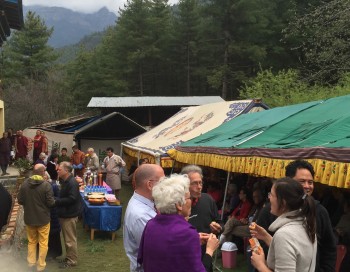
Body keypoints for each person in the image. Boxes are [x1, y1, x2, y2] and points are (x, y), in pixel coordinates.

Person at [256, 160, 336, 272]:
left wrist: (260, 265)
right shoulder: (270, 210)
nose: (307, 186)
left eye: (310, 182)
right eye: (302, 181)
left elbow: (329, 248)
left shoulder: (319, 212)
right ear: (289, 183)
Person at [137, 174, 220, 272]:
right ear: (179, 205)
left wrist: (193, 241)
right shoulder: (187, 232)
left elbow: (165, 251)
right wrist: (209, 251)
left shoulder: (150, 225)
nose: (191, 201)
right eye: (189, 198)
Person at [250, 177, 317, 272]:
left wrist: (260, 265)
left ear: (283, 203)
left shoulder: (284, 235)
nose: (269, 198)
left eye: (272, 195)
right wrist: (266, 237)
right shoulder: (306, 224)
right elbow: (292, 250)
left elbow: (287, 241)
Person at [123, 164, 165, 272]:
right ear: (150, 185)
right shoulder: (141, 216)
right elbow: (158, 251)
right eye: (162, 182)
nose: (165, 187)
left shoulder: (144, 204)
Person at [17, 164, 55, 272]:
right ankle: (41, 266)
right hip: (43, 219)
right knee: (43, 243)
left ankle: (31, 264)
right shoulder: (46, 185)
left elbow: (20, 200)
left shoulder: (24, 184)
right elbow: (51, 203)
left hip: (29, 219)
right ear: (43, 173)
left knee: (31, 242)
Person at [180, 165, 222, 235]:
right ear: (184, 185)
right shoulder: (177, 205)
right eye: (194, 183)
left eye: (200, 183)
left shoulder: (208, 199)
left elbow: (220, 223)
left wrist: (218, 227)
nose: (199, 187)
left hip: (208, 245)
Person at [55, 161, 81, 269]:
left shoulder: (72, 182)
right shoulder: (66, 180)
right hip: (66, 213)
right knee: (67, 239)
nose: (57, 170)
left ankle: (72, 261)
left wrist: (57, 201)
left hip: (69, 215)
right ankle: (69, 257)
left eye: (59, 169)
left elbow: (72, 198)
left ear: (66, 170)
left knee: (70, 240)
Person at [43, 171, 62, 260]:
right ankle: (46, 253)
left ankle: (55, 253)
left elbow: (59, 198)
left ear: (47, 178)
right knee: (45, 234)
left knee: (54, 233)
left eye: (45, 177)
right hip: (44, 213)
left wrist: (51, 199)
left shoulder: (53, 186)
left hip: (53, 212)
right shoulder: (40, 187)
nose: (44, 178)